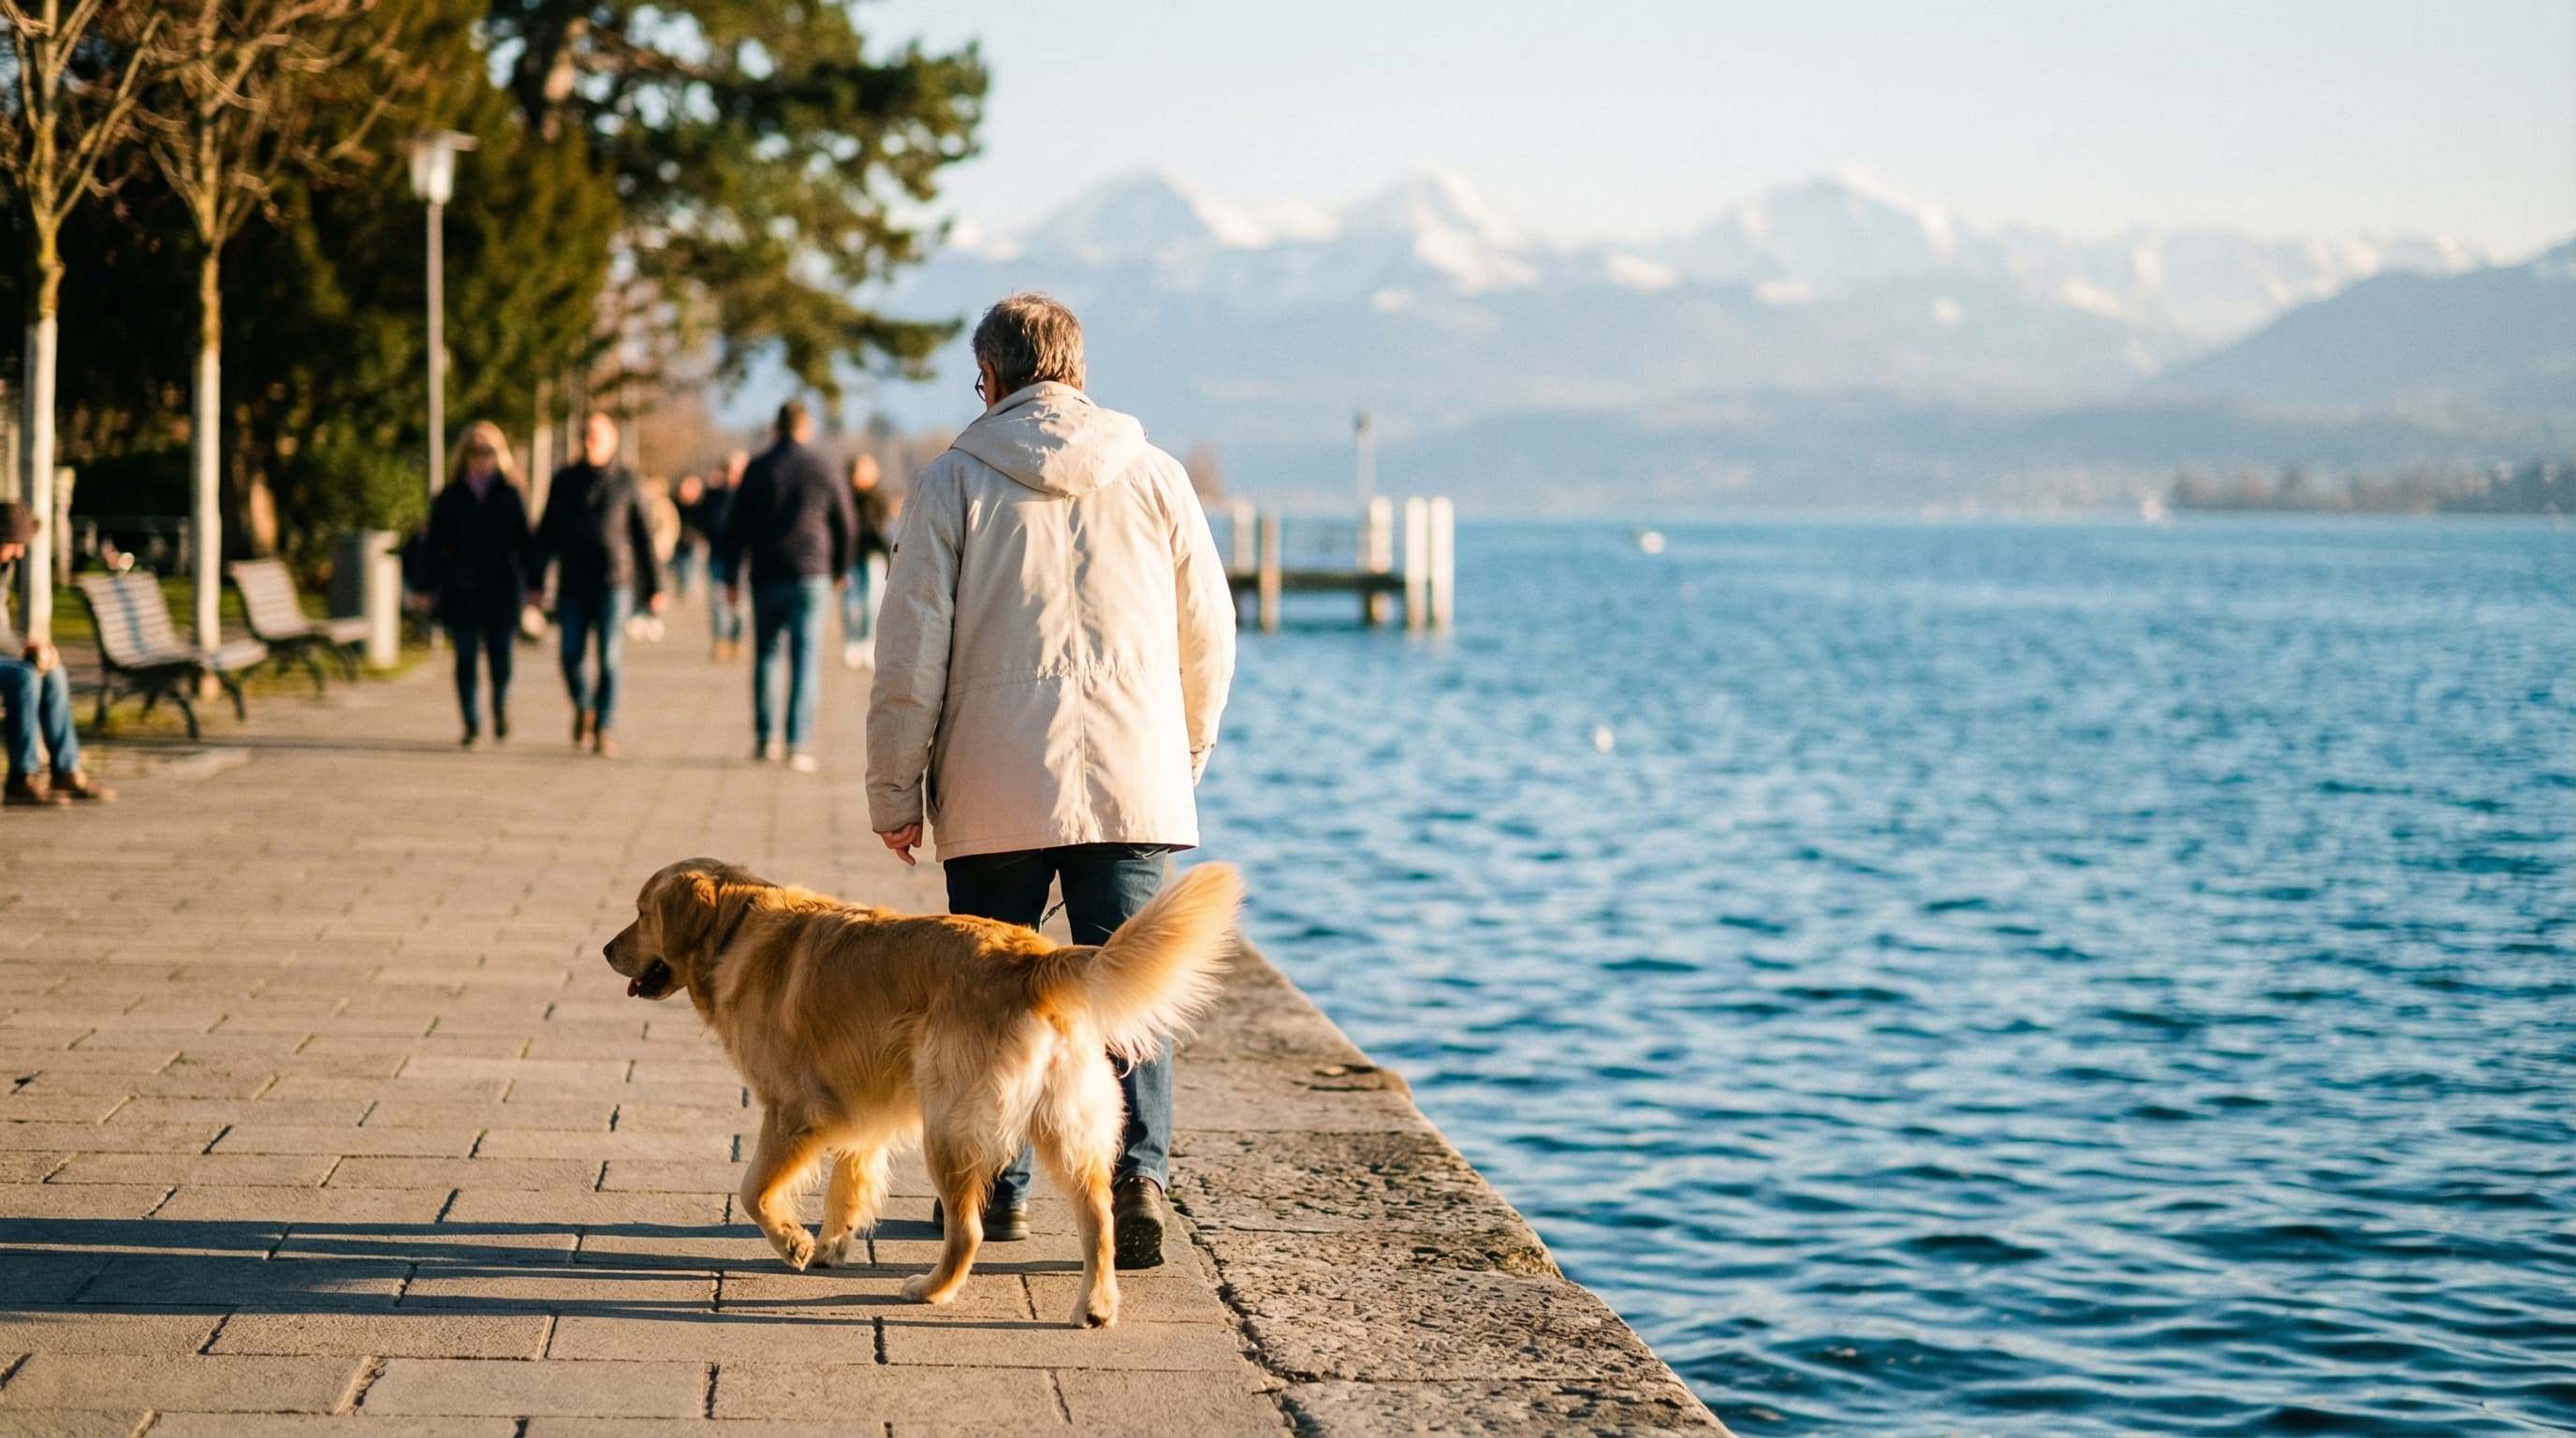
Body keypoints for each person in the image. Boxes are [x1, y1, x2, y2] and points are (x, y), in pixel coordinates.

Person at [867, 293, 1236, 1266]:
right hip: (1131, 775)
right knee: (1125, 984)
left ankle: (998, 1189)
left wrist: (893, 790)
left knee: (991, 989)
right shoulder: (1155, 476)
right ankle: (1138, 1177)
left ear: (989, 379)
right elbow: (1209, 634)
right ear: (1078, 373)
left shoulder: (952, 482)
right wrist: (1182, 753)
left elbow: (908, 654)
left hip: (992, 780)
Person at [719, 400, 854, 771]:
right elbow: (845, 520)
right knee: (805, 658)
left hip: (766, 571)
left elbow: (735, 527)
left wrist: (730, 577)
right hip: (812, 572)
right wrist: (841, 567)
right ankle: (797, 743)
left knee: (765, 654)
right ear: (806, 427)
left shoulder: (757, 468)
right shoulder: (823, 466)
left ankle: (766, 740)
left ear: (776, 427)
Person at [533, 411, 664, 757]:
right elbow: (547, 532)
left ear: (612, 441)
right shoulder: (564, 480)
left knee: (609, 657)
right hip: (573, 581)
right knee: (570, 654)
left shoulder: (627, 481)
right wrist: (534, 580)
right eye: (586, 435)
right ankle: (584, 706)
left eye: (597, 436)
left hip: (615, 581)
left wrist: (654, 586)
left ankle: (604, 726)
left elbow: (644, 536)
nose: (590, 442)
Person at [425, 421, 534, 749]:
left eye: (488, 452)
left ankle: (500, 705)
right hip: (462, 589)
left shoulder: (511, 494)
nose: (481, 458)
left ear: (498, 455)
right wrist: (427, 585)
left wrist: (535, 583)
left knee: (501, 658)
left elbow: (525, 543)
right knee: (466, 657)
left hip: (501, 587)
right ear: (465, 455)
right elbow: (434, 544)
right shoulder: (450, 495)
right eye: (475, 452)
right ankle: (471, 722)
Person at [0, 503, 112, 806]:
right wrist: (20, 650)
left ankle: (66, 769)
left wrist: (28, 647)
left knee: (53, 673)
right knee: (25, 677)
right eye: (14, 545)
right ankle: (21, 777)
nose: (19, 554)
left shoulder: (3, 570)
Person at [841, 452, 894, 669]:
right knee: (851, 602)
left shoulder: (879, 497)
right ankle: (853, 641)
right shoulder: (846, 497)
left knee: (872, 601)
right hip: (851, 556)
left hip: (874, 556)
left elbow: (886, 531)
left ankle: (869, 641)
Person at [703, 449, 750, 662]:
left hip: (744, 558)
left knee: (741, 604)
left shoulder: (751, 495)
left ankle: (737, 640)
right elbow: (707, 521)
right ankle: (720, 640)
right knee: (718, 601)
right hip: (719, 555)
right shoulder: (715, 495)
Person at [670, 473, 709, 599]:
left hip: (693, 546)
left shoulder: (702, 505)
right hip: (677, 545)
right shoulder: (674, 503)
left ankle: (689, 591)